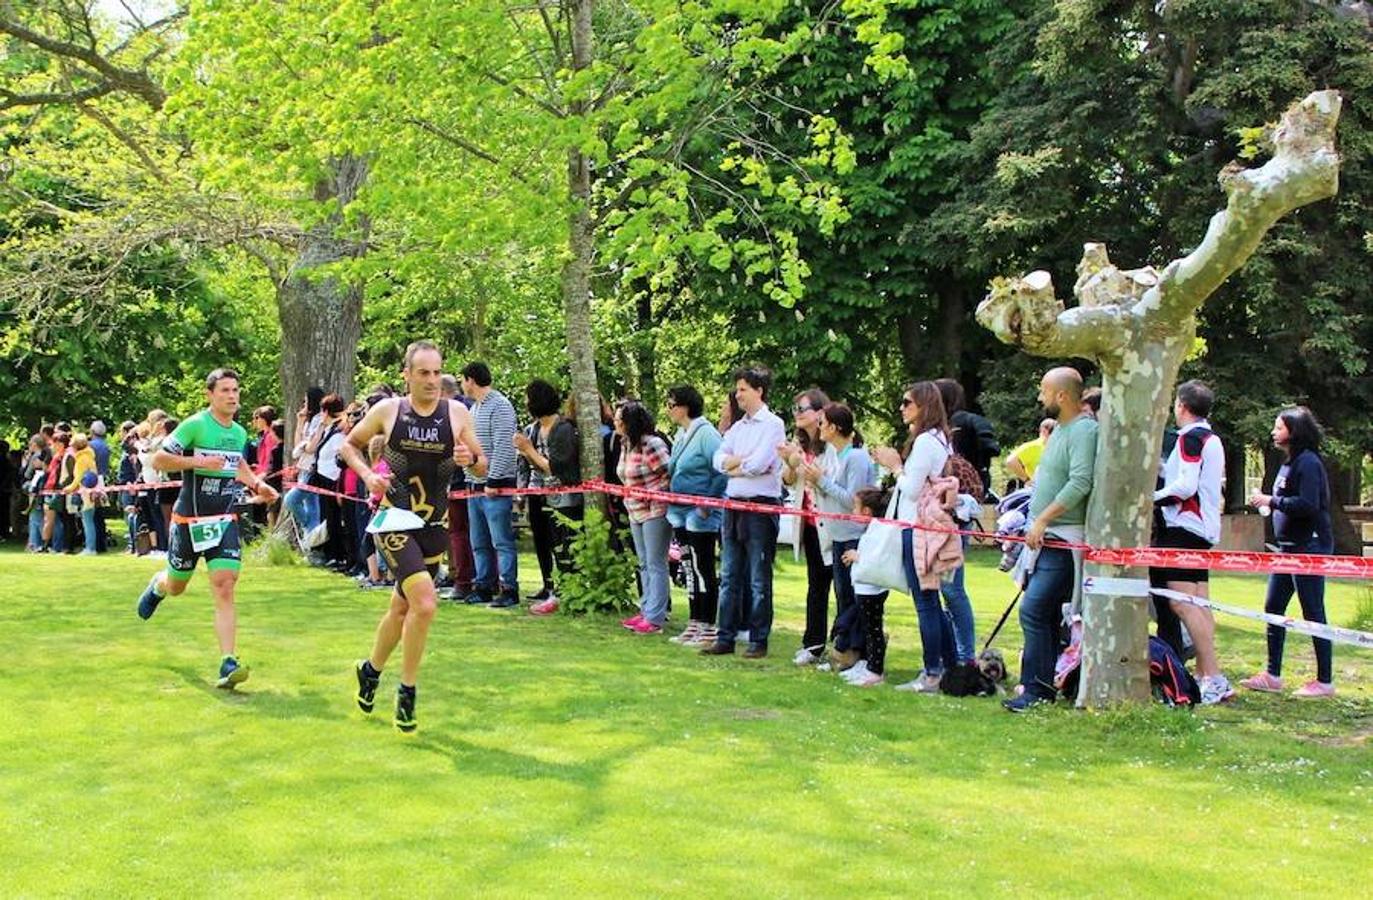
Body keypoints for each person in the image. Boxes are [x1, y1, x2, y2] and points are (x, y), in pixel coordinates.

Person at [341, 340, 487, 732]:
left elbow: (482, 465)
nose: (432, 380)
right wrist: (369, 475)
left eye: (437, 372)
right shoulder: (389, 410)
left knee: (401, 608)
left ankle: (370, 671)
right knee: (425, 604)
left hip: (434, 527)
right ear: (406, 375)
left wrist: (469, 460)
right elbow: (348, 445)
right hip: (393, 521)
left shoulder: (457, 413)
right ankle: (407, 694)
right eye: (423, 373)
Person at [134, 368, 280, 688]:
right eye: (225, 390)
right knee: (177, 586)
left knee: (224, 584)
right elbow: (158, 460)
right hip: (188, 522)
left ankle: (228, 661)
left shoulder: (239, 433)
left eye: (236, 390)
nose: (232, 395)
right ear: (210, 394)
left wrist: (257, 484)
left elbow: (237, 464)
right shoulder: (195, 426)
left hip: (224, 519)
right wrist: (198, 462)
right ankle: (158, 585)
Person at [1002, 367, 1098, 712]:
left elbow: (1080, 482)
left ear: (1061, 395)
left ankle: (1038, 690)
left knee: (1035, 609)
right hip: (1047, 539)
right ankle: (1039, 684)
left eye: (1044, 391)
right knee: (1041, 613)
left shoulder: (1084, 431)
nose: (1039, 398)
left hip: (1063, 539)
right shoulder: (1060, 430)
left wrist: (1042, 519)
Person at [873, 382, 973, 693]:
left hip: (917, 529)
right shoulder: (938, 440)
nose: (902, 408)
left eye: (908, 403)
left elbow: (912, 488)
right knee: (931, 600)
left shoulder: (927, 443)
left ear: (924, 406)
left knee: (926, 602)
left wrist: (894, 466)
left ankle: (933, 670)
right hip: (922, 527)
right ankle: (945, 667)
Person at [1242, 407, 1336, 699]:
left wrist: (1272, 499)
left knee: (1313, 610)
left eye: (1279, 427)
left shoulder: (1308, 463)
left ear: (1294, 432)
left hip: (1309, 547)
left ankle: (1325, 681)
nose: (1274, 432)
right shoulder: (1287, 463)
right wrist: (1270, 504)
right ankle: (1272, 675)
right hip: (1286, 549)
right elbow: (1286, 501)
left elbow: (1308, 504)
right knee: (1273, 607)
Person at [1149, 380, 1234, 704]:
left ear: (1181, 406)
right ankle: (1206, 673)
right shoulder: (1210, 438)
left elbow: (1184, 486)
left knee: (1181, 603)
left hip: (1185, 528)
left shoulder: (1191, 438)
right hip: (1201, 529)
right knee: (1198, 602)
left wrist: (1150, 498)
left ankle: (1212, 675)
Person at [701, 365, 786, 659]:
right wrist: (736, 464)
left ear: (759, 391)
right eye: (737, 390)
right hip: (733, 506)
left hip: (761, 507)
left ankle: (758, 640)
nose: (738, 396)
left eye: (743, 390)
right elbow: (717, 460)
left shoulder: (773, 425)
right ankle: (725, 637)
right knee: (729, 575)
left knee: (758, 578)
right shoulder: (737, 428)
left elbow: (760, 464)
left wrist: (737, 466)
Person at [803, 402, 874, 666]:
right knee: (843, 597)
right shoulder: (837, 456)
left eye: (822, 423)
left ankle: (861, 654)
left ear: (835, 427)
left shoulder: (855, 458)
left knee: (856, 598)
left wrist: (821, 481)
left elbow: (851, 500)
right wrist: (817, 482)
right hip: (838, 535)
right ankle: (847, 653)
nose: (819, 428)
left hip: (852, 535)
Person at [513, 379, 582, 616]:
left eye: (528, 398)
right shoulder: (533, 428)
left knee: (562, 543)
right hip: (537, 493)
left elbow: (556, 468)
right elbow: (528, 465)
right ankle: (549, 586)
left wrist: (528, 449)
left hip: (562, 498)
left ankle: (566, 592)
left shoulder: (562, 429)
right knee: (542, 541)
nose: (525, 402)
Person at [664, 384, 726, 646]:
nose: (668, 410)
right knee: (688, 567)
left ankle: (709, 625)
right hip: (679, 511)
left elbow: (721, 471)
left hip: (701, 513)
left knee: (703, 568)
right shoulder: (681, 434)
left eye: (671, 405)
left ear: (684, 407)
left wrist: (707, 503)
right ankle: (694, 621)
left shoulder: (707, 434)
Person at [778, 388, 835, 666]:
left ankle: (844, 645)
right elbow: (788, 480)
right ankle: (813, 644)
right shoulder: (798, 444)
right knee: (816, 586)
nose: (798, 415)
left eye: (803, 409)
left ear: (820, 413)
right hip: (810, 524)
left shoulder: (832, 445)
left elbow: (828, 481)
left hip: (834, 525)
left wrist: (802, 464)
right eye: (795, 410)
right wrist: (790, 462)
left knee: (843, 587)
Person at [459, 361, 521, 608]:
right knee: (479, 541)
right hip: (474, 485)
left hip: (496, 487)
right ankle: (484, 585)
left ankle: (509, 588)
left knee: (502, 541)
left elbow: (505, 446)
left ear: (470, 379)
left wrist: (493, 480)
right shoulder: (474, 409)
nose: (462, 385)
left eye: (463, 380)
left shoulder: (501, 406)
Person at [614, 400, 674, 634]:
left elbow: (669, 474)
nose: (617, 423)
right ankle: (646, 608)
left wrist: (653, 494)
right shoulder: (626, 444)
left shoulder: (652, 444)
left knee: (656, 563)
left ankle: (656, 617)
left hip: (654, 511)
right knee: (643, 563)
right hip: (634, 510)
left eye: (621, 419)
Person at [838, 487, 894, 687]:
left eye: (855, 507)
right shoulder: (872, 530)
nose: (852, 511)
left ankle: (875, 670)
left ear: (867, 512)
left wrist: (856, 556)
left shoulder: (880, 530)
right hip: (864, 589)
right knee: (867, 628)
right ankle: (866, 663)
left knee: (873, 630)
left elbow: (877, 557)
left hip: (872, 590)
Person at [438, 374, 476, 600]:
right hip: (471, 479)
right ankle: (478, 580)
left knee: (459, 533)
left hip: (460, 479)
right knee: (475, 535)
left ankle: (463, 581)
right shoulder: (472, 407)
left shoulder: (453, 412)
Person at [936, 379, 1000, 495]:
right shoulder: (937, 426)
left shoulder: (962, 420)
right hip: (952, 486)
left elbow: (990, 445)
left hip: (965, 486)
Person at [1005, 419, 1056, 485]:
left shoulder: (1055, 447)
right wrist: (1027, 480)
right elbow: (1011, 461)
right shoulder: (1034, 446)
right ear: (1045, 431)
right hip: (1038, 489)